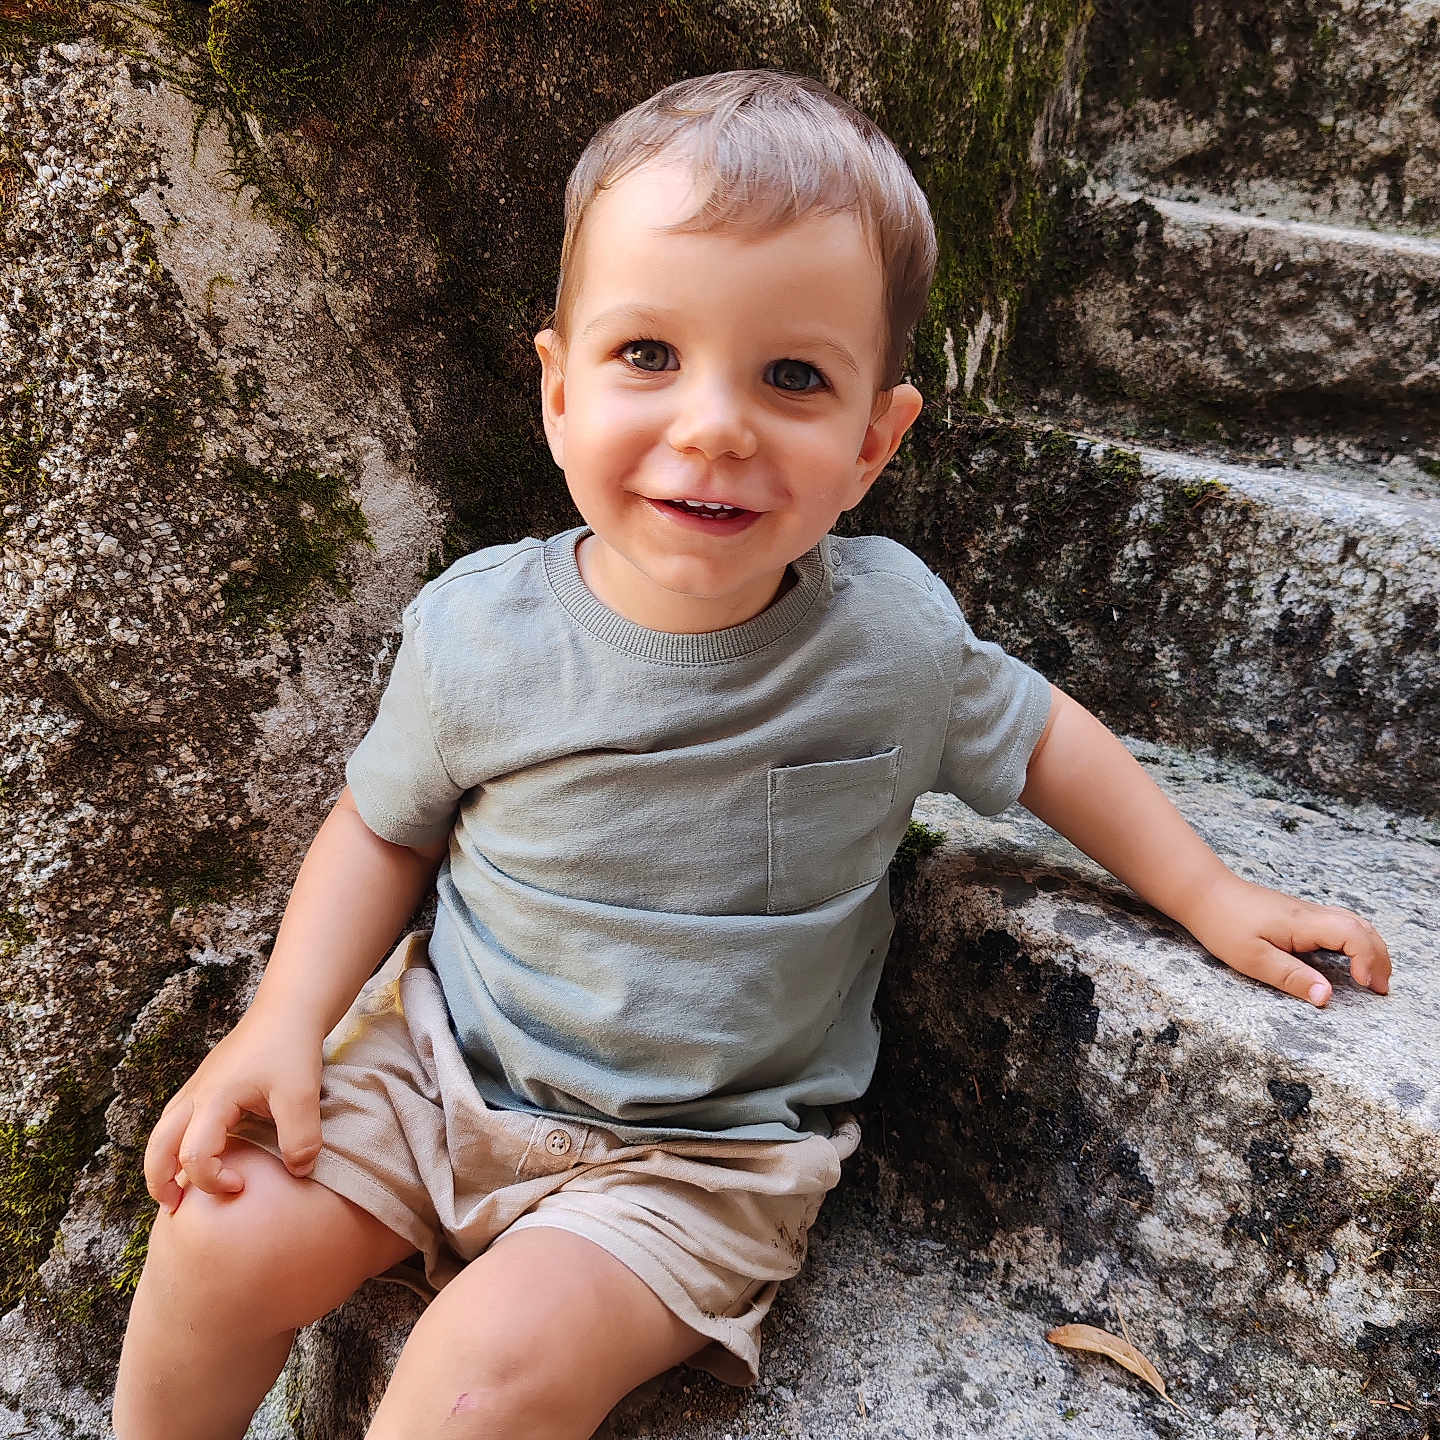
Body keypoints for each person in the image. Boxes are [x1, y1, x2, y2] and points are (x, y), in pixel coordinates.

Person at [112, 69, 1392, 1440]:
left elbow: (1039, 743)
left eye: (791, 376)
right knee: (215, 1235)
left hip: (688, 1164)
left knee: (477, 1385)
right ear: (557, 391)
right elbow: (383, 826)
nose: (712, 422)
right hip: (438, 1066)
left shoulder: (892, 640)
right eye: (648, 356)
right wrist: (284, 1024)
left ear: (872, 441)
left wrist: (1210, 893)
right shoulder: (481, 632)